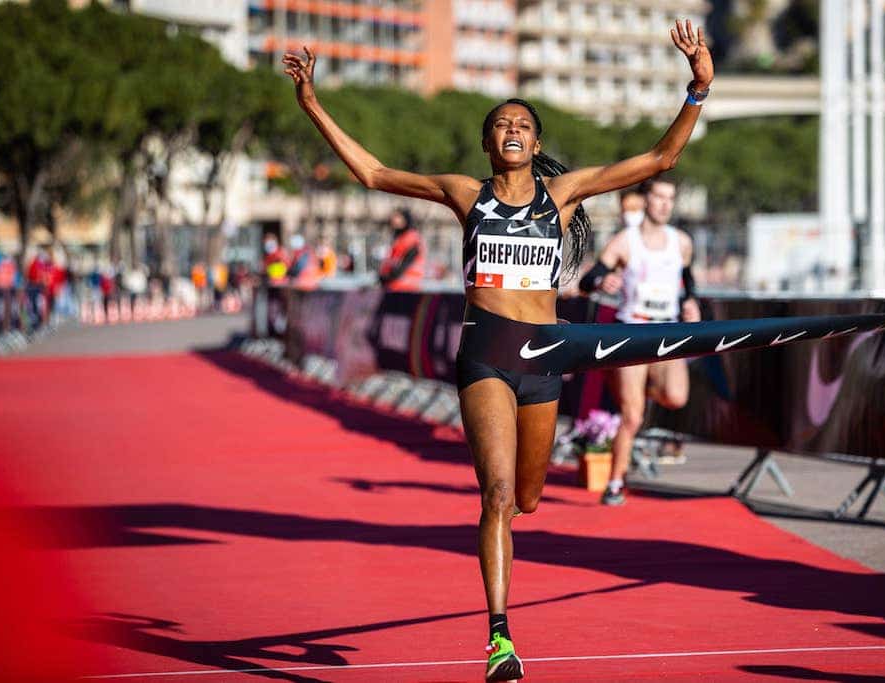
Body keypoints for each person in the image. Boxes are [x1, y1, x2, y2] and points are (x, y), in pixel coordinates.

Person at [283, 19, 712, 681]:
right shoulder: (465, 194)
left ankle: (507, 580)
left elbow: (657, 162)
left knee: (531, 498)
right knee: (498, 495)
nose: (511, 130)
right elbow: (372, 173)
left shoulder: (561, 196)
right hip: (483, 353)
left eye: (522, 124)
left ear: (535, 142)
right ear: (488, 142)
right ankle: (500, 638)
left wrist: (697, 90)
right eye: (500, 124)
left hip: (545, 358)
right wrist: (314, 104)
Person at [579, 176, 700, 505]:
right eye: (659, 197)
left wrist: (690, 302)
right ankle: (615, 482)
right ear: (646, 200)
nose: (665, 204)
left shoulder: (682, 242)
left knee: (676, 397)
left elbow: (687, 282)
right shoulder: (625, 242)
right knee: (632, 417)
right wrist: (604, 282)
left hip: (668, 331)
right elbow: (589, 281)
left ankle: (642, 384)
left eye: (670, 198)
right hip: (632, 332)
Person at [378, 207, 425, 292]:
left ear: (405, 219)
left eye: (397, 217)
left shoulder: (412, 238)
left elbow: (406, 263)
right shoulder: (399, 238)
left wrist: (388, 278)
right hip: (394, 286)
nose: (393, 220)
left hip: (406, 287)